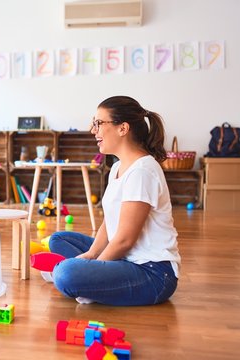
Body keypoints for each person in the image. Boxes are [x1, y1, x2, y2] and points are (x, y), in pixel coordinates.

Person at [49, 96, 181, 306]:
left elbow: (124, 240)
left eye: (99, 123)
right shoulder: (118, 168)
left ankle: (83, 279)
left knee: (66, 274)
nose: (94, 130)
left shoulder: (142, 171)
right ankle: (93, 278)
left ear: (123, 128)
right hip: (125, 258)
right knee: (58, 239)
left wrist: (93, 267)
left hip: (153, 273)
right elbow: (110, 223)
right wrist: (91, 255)